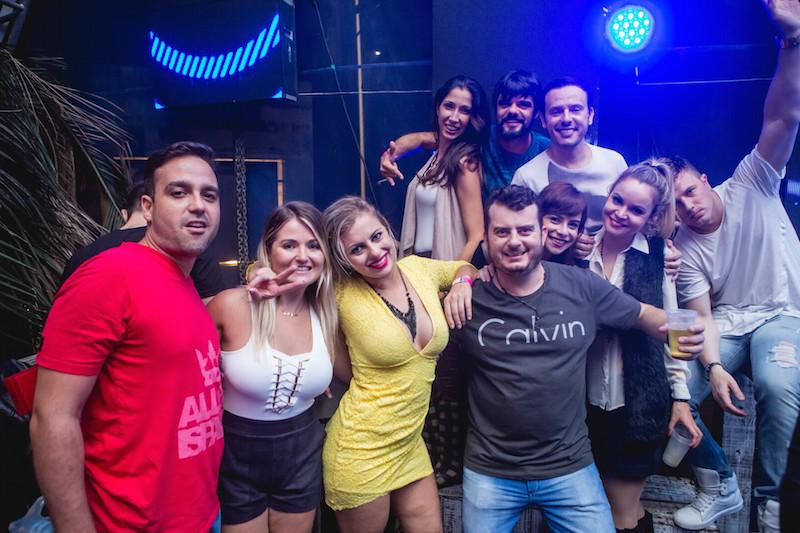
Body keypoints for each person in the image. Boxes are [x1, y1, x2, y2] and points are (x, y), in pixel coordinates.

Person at [449, 185, 705, 533]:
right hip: (490, 470)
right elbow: (415, 278)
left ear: (541, 233)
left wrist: (686, 333)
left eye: (525, 230)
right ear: (487, 241)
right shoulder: (468, 300)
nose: (515, 241)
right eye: (502, 232)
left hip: (568, 466)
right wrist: (461, 275)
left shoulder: (582, 286)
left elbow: (645, 315)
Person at [30, 141, 224, 532]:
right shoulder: (109, 275)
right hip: (129, 523)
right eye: (179, 193)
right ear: (147, 208)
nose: (198, 205)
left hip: (199, 515)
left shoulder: (186, 282)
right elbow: (52, 417)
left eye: (209, 195)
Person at [667, 2, 800, 530]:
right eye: (674, 204)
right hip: (728, 325)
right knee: (674, 390)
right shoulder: (682, 246)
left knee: (778, 387)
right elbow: (700, 318)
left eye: (689, 191)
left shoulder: (750, 181)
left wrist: (792, 41)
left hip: (781, 314)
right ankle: (719, 482)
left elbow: (784, 115)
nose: (688, 206)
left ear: (704, 178)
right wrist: (715, 367)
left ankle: (770, 503)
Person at [321, 196, 476, 533]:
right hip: (361, 447)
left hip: (409, 443)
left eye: (377, 237)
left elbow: (463, 268)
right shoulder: (339, 291)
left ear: (389, 231)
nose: (375, 252)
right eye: (357, 249)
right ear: (344, 259)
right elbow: (281, 276)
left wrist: (461, 285)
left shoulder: (418, 269)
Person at [584, 161, 702, 532]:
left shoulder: (659, 256)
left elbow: (675, 329)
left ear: (651, 217)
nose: (621, 213)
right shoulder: (580, 248)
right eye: (617, 200)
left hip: (635, 405)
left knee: (620, 513)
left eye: (636, 210)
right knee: (605, 508)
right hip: (581, 407)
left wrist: (680, 398)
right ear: (608, 195)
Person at [209, 202, 338, 532]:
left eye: (313, 245)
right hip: (236, 456)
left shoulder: (328, 314)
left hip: (302, 453)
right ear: (269, 251)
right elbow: (180, 352)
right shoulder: (232, 305)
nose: (302, 256)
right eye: (289, 245)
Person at [380, 69, 550, 198]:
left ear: (536, 112)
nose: (512, 111)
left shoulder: (547, 150)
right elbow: (422, 139)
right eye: (504, 104)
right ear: (496, 109)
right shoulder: (482, 137)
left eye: (523, 105)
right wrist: (390, 156)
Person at [60, 179, 228, 302]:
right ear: (149, 207)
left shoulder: (80, 258)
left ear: (124, 214)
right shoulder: (187, 248)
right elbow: (215, 317)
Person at [395, 75, 489, 262]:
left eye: (464, 111)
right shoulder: (436, 157)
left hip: (444, 266)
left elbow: (477, 235)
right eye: (449, 106)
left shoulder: (465, 165)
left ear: (472, 118)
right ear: (438, 107)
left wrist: (455, 276)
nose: (454, 117)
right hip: (419, 264)